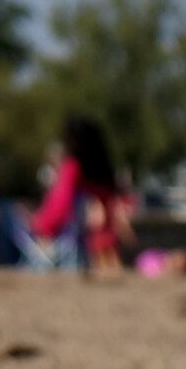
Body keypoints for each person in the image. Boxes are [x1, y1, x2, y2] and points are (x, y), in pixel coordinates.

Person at [33, 115, 132, 274]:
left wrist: (39, 226)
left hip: (74, 239)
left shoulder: (72, 169)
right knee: (111, 264)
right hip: (100, 237)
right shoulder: (104, 175)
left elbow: (58, 207)